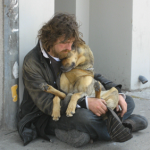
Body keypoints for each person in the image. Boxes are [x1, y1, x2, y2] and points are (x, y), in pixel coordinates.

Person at [17, 13, 148, 147]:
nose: (69, 48)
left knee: (127, 101)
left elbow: (89, 73)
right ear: (49, 40)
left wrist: (116, 91)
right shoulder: (32, 63)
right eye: (64, 43)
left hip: (75, 102)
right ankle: (124, 126)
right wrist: (85, 102)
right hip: (46, 115)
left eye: (71, 42)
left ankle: (97, 130)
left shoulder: (67, 50)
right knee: (85, 118)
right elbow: (46, 104)